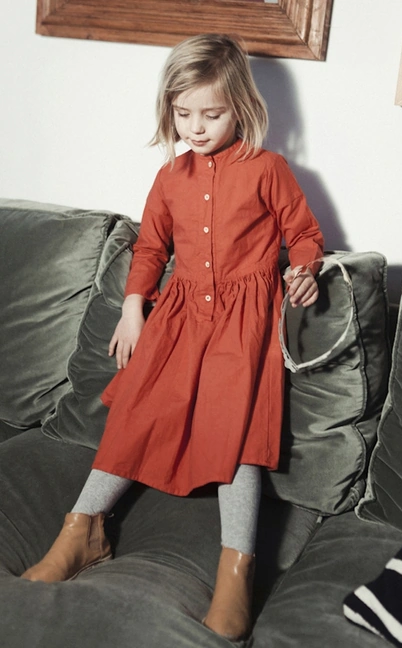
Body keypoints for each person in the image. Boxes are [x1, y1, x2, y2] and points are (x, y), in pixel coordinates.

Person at [21, 33, 324, 640]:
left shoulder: (269, 170)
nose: (196, 127)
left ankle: (236, 570)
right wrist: (133, 306)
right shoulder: (169, 176)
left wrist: (304, 271)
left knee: (235, 433)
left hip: (243, 322)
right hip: (179, 316)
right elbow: (151, 247)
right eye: (183, 114)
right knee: (136, 411)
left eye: (211, 114)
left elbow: (305, 235)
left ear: (241, 106)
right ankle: (82, 530)